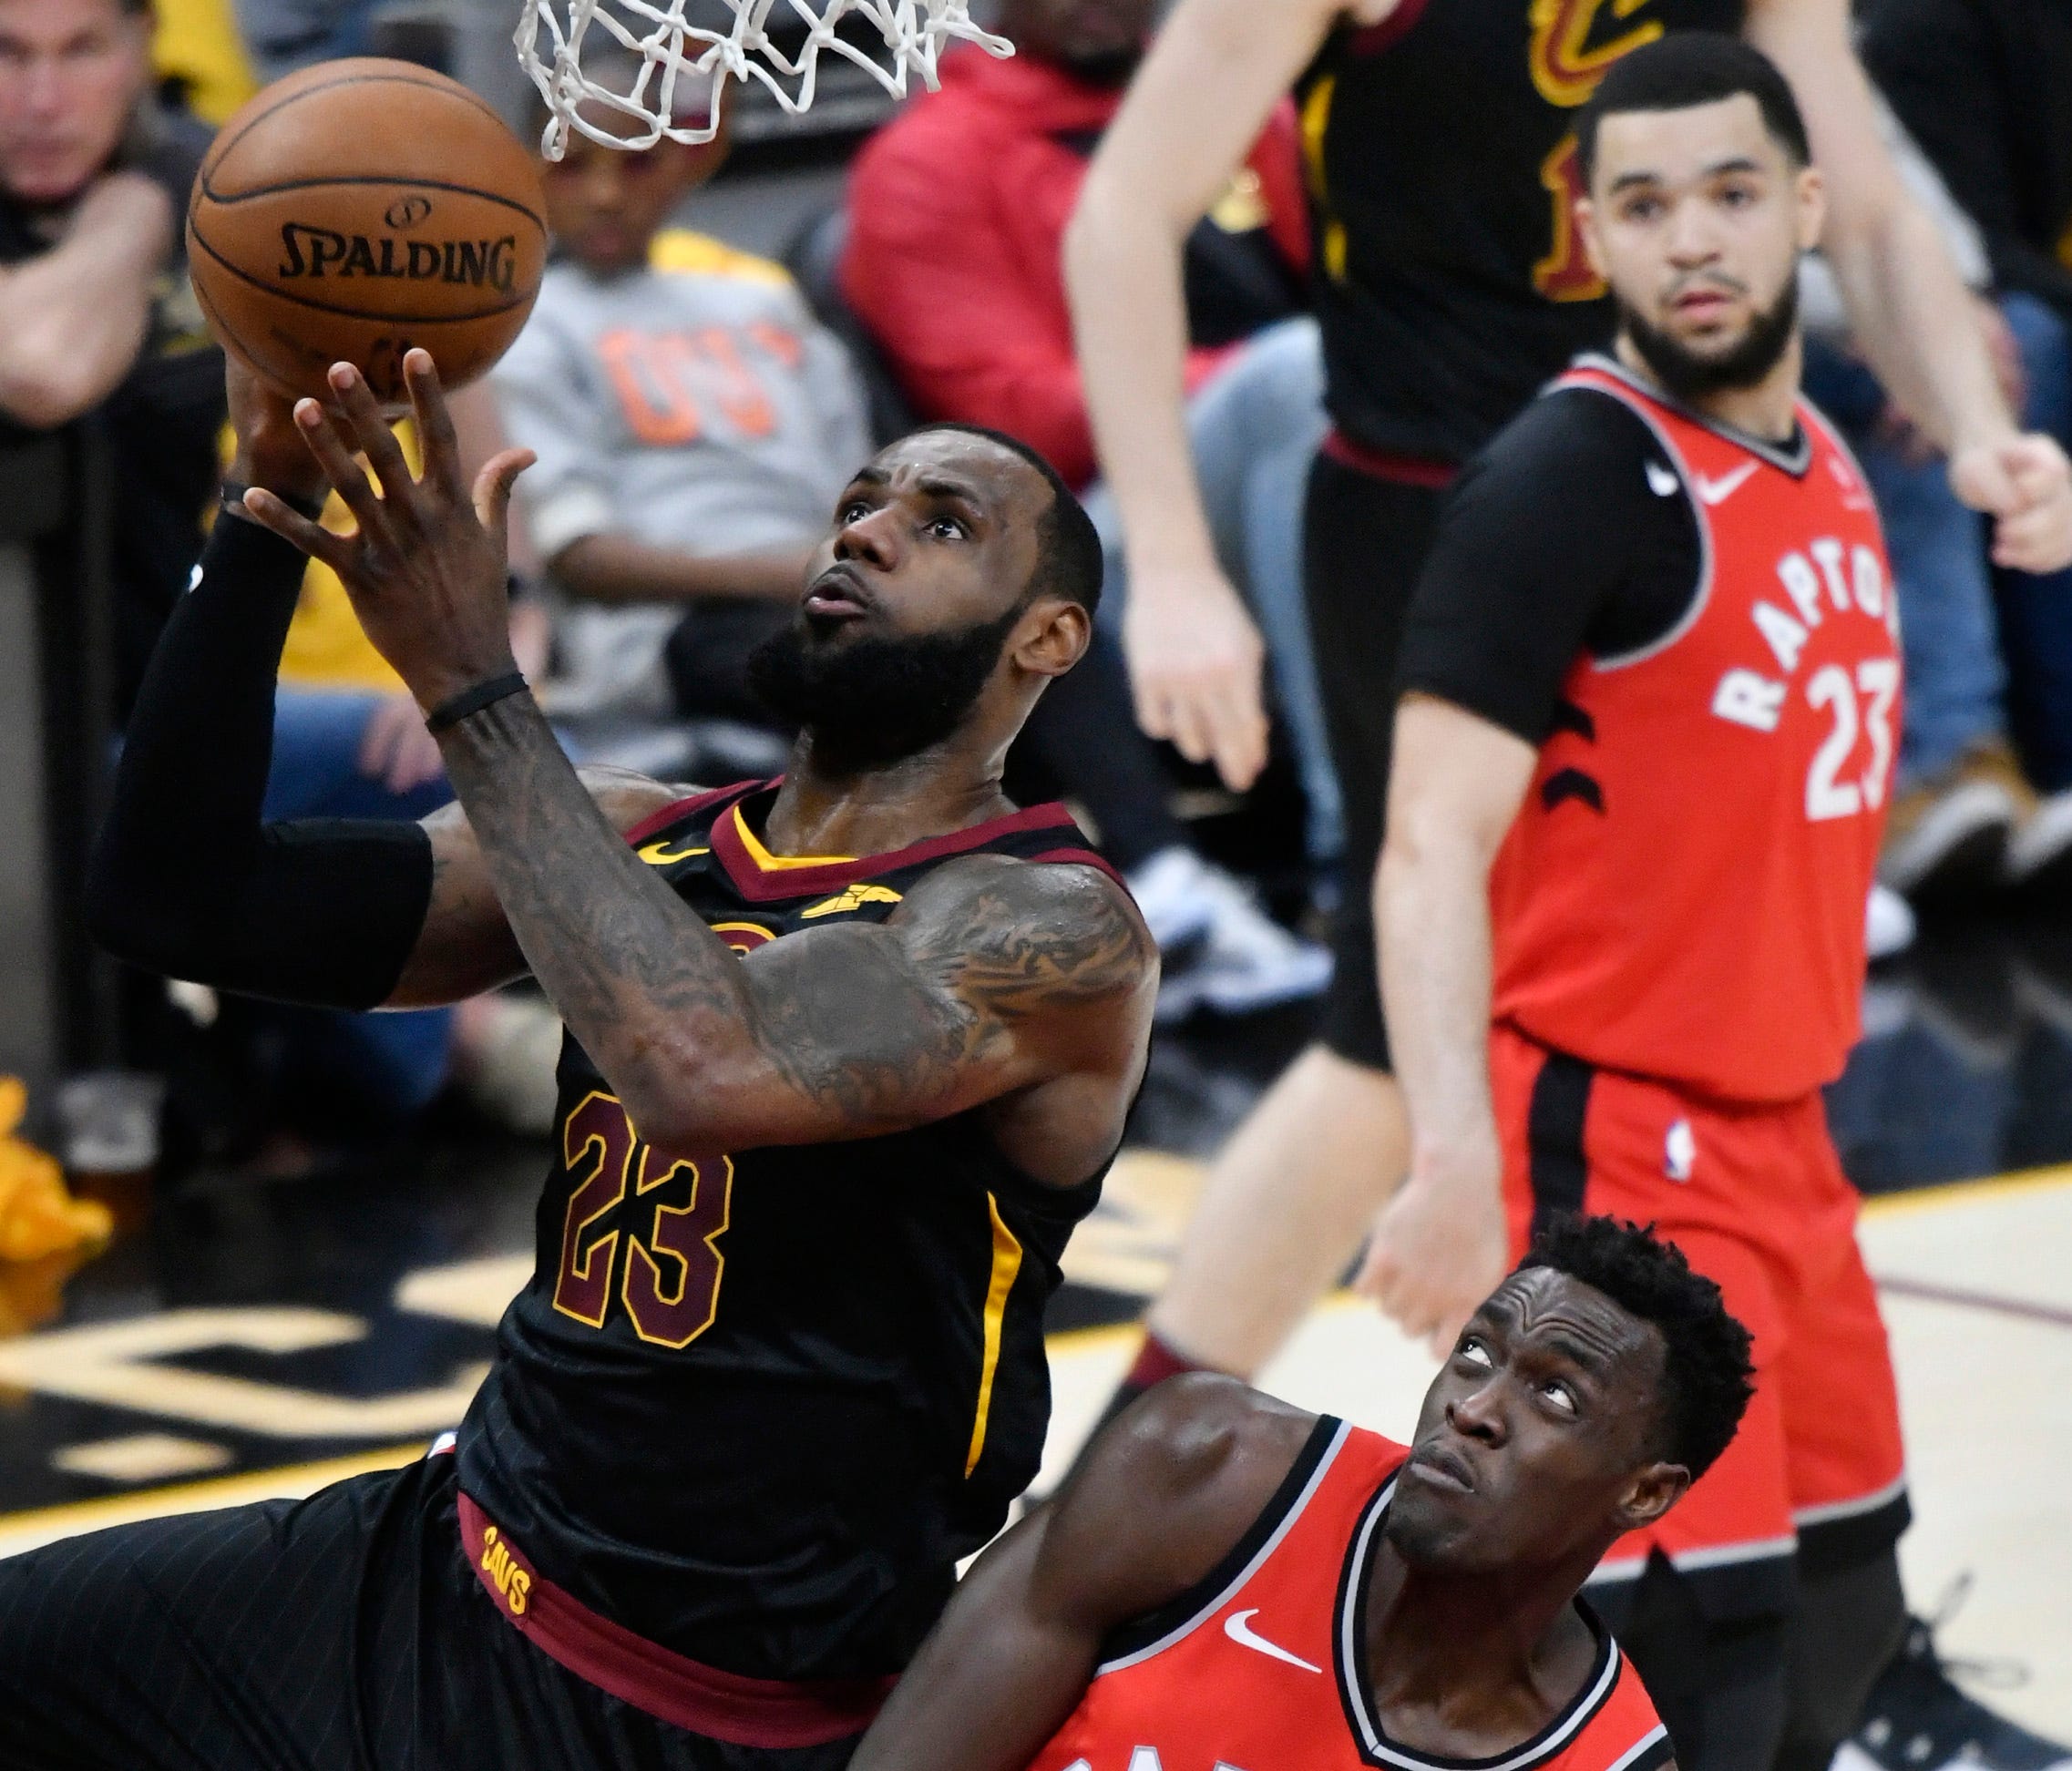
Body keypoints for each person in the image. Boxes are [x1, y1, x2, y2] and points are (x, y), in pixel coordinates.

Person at [21, 348, 1158, 1769]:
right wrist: (267, 506)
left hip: (703, 1713)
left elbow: (700, 1071)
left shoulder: (1048, 923)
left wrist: (468, 677)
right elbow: (173, 898)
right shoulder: (640, 833)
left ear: (1047, 639)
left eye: (940, 523)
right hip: (446, 1568)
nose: (862, 528)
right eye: (858, 500)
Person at [1064, 0, 2072, 1552]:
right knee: (1426, 1038)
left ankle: (1800, 1574)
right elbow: (1121, 214)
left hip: (1699, 490)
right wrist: (1178, 570)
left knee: (1698, 1022)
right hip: (1444, 512)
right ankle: (1140, 1514)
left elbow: (1854, 193)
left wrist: (1979, 426)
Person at [1371, 37, 2014, 1768]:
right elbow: (1425, 843)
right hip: (1612, 1134)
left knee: (1847, 1596)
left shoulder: (1819, 450)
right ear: (1588, 234)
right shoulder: (1566, 480)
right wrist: (1443, 1158)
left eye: (1730, 193)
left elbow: (1939, 320)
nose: (1693, 239)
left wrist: (1991, 446)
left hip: (1785, 1129)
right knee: (1681, 1657)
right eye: (1641, 205)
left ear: (1804, 206)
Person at [847, 1214, 1755, 1771]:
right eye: (1475, 1354)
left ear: (1644, 1491)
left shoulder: (1604, 1762)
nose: (1474, 1408)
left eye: (1555, 1395)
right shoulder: (1207, 1471)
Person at [843, 0, 1337, 1012]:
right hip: (1089, 549)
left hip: (1302, 471)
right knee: (1303, 376)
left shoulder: (1249, 98)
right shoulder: (929, 158)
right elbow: (1001, 414)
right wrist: (1246, 377)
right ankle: (1356, 857)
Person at [494, 65, 875, 753]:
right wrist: (793, 574)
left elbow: (867, 490)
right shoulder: (524, 328)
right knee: (858, 670)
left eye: (638, 164)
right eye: (573, 165)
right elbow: (581, 559)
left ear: (681, 164)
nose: (607, 195)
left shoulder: (761, 301)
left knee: (1025, 641)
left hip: (834, 586)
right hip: (672, 630)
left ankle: (1132, 851)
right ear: (529, 170)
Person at [1863, 0, 2072, 901]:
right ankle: (1967, 756)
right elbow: (1893, 221)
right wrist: (1933, 337)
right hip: (1828, 316)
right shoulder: (1925, 27)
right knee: (2024, 350)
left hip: (1939, 286)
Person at [0, 0, 223, 718]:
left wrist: (513, 600)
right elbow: (45, 369)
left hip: (183, 693)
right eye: (7, 53)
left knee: (501, 774)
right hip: (30, 725)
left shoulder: (223, 175)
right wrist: (132, 218)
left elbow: (428, 342)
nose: (42, 101)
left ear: (141, 46)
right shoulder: (153, 195)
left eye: (82, 51)